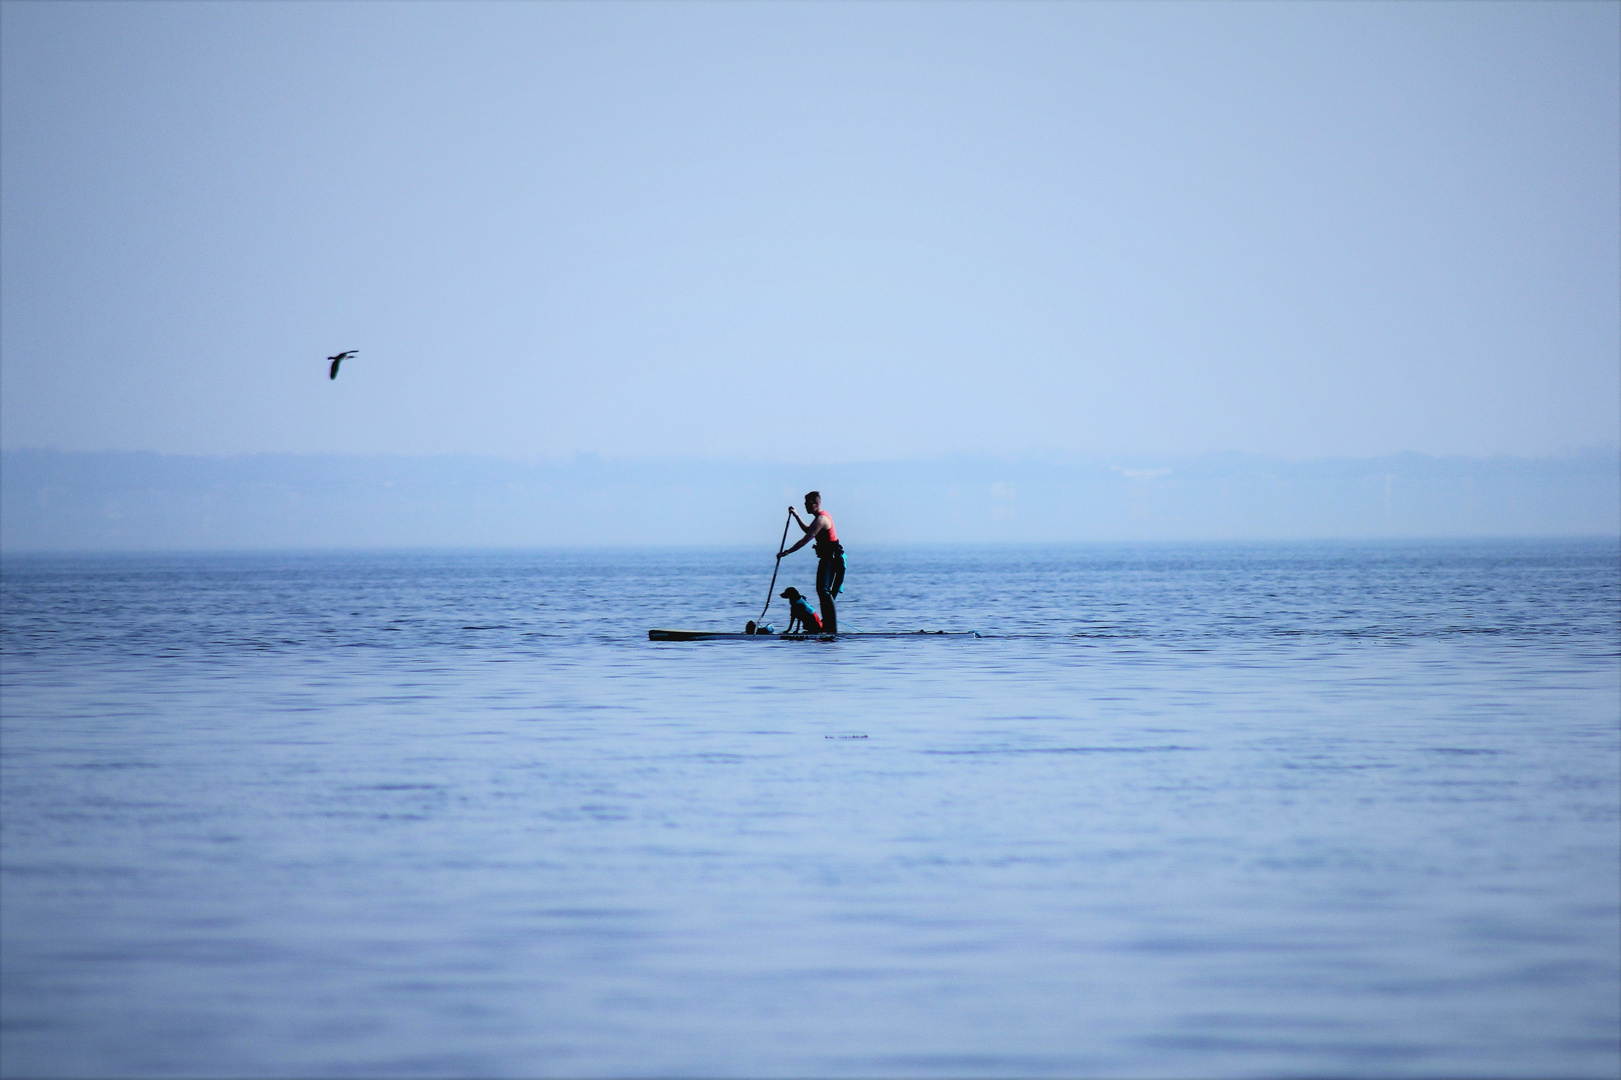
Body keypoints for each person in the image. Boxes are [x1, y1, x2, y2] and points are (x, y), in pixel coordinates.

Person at [778, 491, 844, 633]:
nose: (806, 507)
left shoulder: (822, 519)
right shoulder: (818, 518)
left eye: (808, 504)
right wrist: (796, 516)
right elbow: (808, 529)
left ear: (817, 504)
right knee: (823, 591)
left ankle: (831, 629)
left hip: (832, 559)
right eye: (805, 504)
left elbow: (805, 540)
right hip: (827, 558)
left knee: (824, 591)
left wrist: (787, 552)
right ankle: (827, 626)